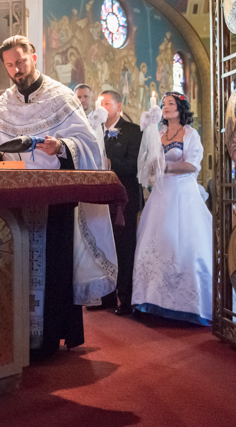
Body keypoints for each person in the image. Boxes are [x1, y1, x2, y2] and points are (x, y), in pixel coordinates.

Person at [0, 35, 117, 360]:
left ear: (34, 58)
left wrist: (62, 147)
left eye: (20, 62)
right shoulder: (3, 103)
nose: (16, 70)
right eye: (10, 65)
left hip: (55, 198)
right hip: (15, 197)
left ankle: (52, 335)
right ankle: (18, 335)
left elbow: (88, 144)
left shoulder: (60, 96)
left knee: (53, 266)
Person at [132, 92, 213, 324]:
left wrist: (165, 168)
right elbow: (149, 166)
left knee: (183, 243)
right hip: (161, 196)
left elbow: (192, 165)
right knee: (157, 242)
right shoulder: (158, 134)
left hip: (183, 195)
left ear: (180, 108)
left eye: (171, 104)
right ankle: (153, 300)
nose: (166, 107)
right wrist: (149, 168)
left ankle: (189, 304)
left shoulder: (190, 134)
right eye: (164, 104)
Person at [97, 90, 143, 315]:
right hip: (101, 198)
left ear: (118, 106)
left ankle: (125, 299)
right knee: (104, 246)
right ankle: (106, 296)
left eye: (106, 103)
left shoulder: (132, 131)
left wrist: (109, 162)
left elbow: (134, 167)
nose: (102, 107)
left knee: (124, 249)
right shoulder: (96, 131)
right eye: (100, 103)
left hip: (124, 199)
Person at [74, 83, 107, 159]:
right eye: (79, 97)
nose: (82, 100)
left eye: (86, 96)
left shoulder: (101, 119)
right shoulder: (71, 120)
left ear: (92, 98)